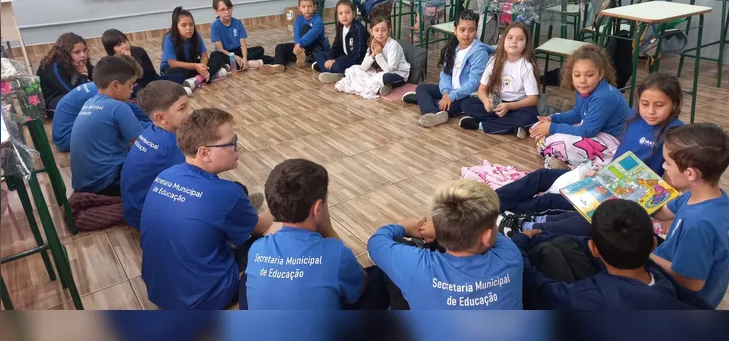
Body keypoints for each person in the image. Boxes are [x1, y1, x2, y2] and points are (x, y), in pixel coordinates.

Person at [498, 74, 685, 237]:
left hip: (631, 196)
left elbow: (672, 179)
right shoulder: (633, 116)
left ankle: (508, 218)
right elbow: (621, 154)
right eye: (645, 104)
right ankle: (488, 203)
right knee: (541, 176)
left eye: (659, 105)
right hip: (607, 177)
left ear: (674, 104)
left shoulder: (675, 133)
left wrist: (667, 213)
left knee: (554, 201)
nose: (650, 111)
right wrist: (601, 170)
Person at [140, 108, 279, 310]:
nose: (238, 148)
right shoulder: (225, 194)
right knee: (275, 238)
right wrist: (279, 205)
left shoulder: (166, 174)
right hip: (203, 299)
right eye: (232, 142)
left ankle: (236, 216)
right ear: (204, 153)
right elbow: (259, 227)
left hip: (159, 290)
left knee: (235, 194)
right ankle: (240, 218)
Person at [243, 158, 389, 310]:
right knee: (377, 276)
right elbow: (361, 286)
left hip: (261, 331)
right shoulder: (335, 253)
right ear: (318, 208)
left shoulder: (257, 249)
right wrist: (328, 229)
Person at [512, 199, 711, 309]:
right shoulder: (660, 276)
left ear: (594, 249)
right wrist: (540, 236)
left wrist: (519, 243)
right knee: (559, 245)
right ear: (653, 244)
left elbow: (538, 287)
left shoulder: (583, 297)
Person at [368, 179, 523, 310]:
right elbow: (492, 238)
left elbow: (376, 242)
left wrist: (404, 227)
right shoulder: (510, 256)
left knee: (397, 261)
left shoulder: (417, 267)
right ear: (487, 236)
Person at [650, 123, 729, 309]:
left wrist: (645, 255)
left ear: (690, 173)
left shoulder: (699, 225)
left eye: (667, 162)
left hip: (685, 298)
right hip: (674, 262)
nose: (663, 166)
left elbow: (692, 282)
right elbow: (662, 211)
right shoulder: (711, 197)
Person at [529, 45, 630, 169]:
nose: (582, 80)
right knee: (539, 127)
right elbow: (577, 114)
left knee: (563, 142)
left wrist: (552, 128)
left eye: (589, 75)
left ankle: (571, 163)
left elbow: (588, 131)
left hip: (613, 141)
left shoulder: (603, 96)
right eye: (577, 75)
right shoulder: (586, 89)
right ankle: (560, 157)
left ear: (600, 75)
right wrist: (553, 119)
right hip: (595, 130)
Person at [401, 10, 492, 128]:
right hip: (450, 91)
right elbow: (445, 74)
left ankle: (425, 102)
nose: (466, 34)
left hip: (466, 95)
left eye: (471, 30)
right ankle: (432, 111)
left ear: (476, 30)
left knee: (452, 106)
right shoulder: (452, 48)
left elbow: (473, 84)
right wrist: (445, 93)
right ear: (455, 30)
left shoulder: (480, 52)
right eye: (462, 30)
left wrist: (451, 96)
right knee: (422, 88)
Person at [120, 81, 191, 230]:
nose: (190, 112)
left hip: (134, 209)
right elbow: (191, 184)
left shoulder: (152, 131)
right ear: (160, 118)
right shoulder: (171, 145)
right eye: (182, 108)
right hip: (149, 219)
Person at [69, 55, 144, 196]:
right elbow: (143, 146)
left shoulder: (89, 102)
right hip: (107, 184)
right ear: (115, 85)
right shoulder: (118, 107)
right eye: (131, 84)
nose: (132, 90)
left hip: (82, 185)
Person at [459, 22, 539, 138]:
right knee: (466, 104)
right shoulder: (494, 61)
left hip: (518, 106)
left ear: (526, 44)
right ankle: (512, 127)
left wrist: (510, 106)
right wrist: (486, 100)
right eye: (510, 37)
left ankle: (481, 125)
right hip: (498, 103)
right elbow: (482, 89)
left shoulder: (526, 66)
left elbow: (533, 99)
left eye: (520, 39)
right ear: (503, 40)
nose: (514, 42)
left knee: (530, 116)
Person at [334, 16, 410, 98]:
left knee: (385, 77)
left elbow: (390, 70)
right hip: (379, 72)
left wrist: (379, 54)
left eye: (383, 30)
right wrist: (373, 54)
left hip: (397, 74)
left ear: (389, 31)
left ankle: (378, 87)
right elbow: (363, 68)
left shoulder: (393, 45)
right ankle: (381, 88)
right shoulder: (373, 43)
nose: (380, 33)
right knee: (354, 68)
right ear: (371, 32)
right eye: (376, 30)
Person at [160, 6, 226, 92]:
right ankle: (210, 75)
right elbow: (172, 63)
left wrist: (203, 67)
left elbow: (204, 56)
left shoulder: (196, 35)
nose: (188, 28)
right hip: (173, 68)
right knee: (175, 75)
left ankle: (196, 79)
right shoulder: (169, 38)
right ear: (176, 26)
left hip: (192, 66)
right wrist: (196, 66)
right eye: (184, 25)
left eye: (191, 25)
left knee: (218, 58)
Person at [209, 0, 276, 73]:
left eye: (229, 8)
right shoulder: (215, 26)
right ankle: (253, 63)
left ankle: (237, 65)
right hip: (225, 53)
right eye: (223, 9)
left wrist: (244, 57)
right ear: (216, 11)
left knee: (259, 49)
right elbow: (220, 49)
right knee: (215, 56)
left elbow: (243, 45)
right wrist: (234, 57)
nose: (227, 12)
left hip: (237, 51)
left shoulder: (237, 23)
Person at [265, 0, 329, 72]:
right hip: (301, 46)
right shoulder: (298, 20)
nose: (307, 9)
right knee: (280, 47)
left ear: (314, 7)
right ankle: (279, 65)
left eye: (309, 6)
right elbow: (297, 35)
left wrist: (300, 44)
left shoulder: (318, 20)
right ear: (299, 8)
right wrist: (297, 47)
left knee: (306, 28)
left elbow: (312, 34)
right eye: (304, 6)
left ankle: (307, 58)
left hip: (316, 47)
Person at [36, 32, 93, 117]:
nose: (83, 55)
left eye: (84, 50)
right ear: (66, 53)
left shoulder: (81, 60)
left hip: (72, 92)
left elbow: (97, 77)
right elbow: (72, 93)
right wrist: (84, 75)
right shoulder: (53, 66)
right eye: (77, 52)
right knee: (82, 102)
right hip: (53, 101)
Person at [315, 0, 368, 84]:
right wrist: (330, 57)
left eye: (347, 12)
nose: (344, 16)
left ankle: (333, 72)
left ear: (353, 14)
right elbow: (336, 45)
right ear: (337, 15)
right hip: (343, 56)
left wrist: (336, 61)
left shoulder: (358, 30)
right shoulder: (340, 26)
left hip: (355, 60)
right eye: (340, 13)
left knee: (337, 65)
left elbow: (358, 54)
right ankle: (333, 72)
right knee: (319, 55)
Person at [102, 28, 160, 97]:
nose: (125, 46)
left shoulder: (139, 51)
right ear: (111, 49)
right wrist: (128, 59)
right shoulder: (110, 63)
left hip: (150, 82)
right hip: (132, 89)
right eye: (118, 45)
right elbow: (128, 81)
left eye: (125, 41)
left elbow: (150, 74)